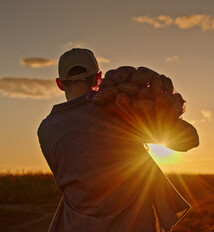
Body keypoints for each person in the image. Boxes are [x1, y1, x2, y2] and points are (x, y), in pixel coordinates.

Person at [38, 48, 199, 231]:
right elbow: (190, 140)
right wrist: (161, 111)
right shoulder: (117, 109)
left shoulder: (46, 129)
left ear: (60, 83)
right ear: (98, 78)